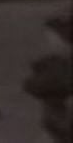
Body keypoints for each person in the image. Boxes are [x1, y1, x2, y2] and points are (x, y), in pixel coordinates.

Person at [24, 12, 71, 143]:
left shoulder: (59, 63)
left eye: (53, 39)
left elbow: (36, 86)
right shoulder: (55, 61)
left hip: (60, 116)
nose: (50, 43)